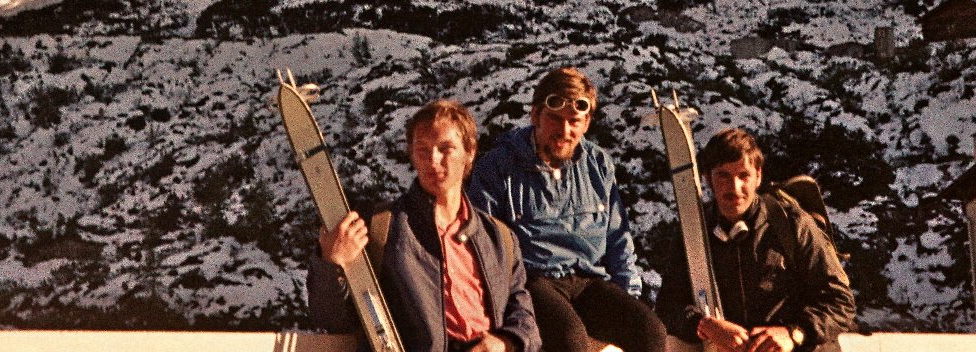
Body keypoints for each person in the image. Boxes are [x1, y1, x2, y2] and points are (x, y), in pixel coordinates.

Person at [309, 98, 540, 352]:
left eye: (446, 148)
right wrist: (330, 264)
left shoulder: (500, 238)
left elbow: (523, 315)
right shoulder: (381, 229)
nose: (433, 160)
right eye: (422, 149)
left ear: (470, 151)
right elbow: (330, 318)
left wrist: (504, 343)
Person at [466, 67, 667, 352]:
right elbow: (485, 248)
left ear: (586, 123)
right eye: (555, 119)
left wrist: (627, 297)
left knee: (650, 329)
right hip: (534, 282)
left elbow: (618, 240)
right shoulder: (498, 167)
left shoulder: (598, 165)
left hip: (588, 280)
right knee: (571, 338)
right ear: (535, 115)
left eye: (574, 121)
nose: (564, 130)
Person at [656, 127, 855, 352]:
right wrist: (705, 325)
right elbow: (667, 305)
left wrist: (794, 333)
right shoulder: (693, 232)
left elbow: (840, 301)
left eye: (744, 175)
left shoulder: (791, 223)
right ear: (707, 179)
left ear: (758, 176)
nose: (735, 187)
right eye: (723, 175)